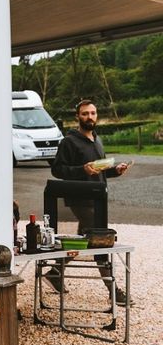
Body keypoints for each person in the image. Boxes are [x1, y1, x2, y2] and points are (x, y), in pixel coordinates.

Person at [49, 99, 131, 303]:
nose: (89, 117)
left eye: (93, 113)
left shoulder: (97, 139)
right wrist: (81, 169)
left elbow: (99, 169)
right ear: (77, 116)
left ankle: (55, 272)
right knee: (100, 240)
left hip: (98, 199)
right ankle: (113, 290)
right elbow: (57, 169)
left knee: (82, 241)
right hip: (80, 199)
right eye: (85, 113)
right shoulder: (69, 142)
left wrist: (115, 170)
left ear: (97, 115)